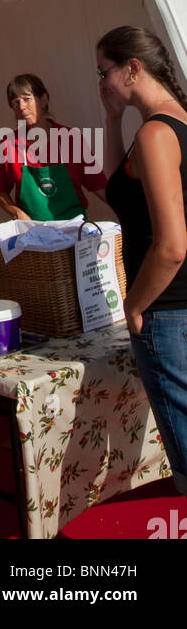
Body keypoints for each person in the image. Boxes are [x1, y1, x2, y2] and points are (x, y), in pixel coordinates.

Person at [97, 26, 187, 497]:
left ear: (133, 67)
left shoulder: (156, 133)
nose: (102, 82)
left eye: (104, 72)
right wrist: (110, 120)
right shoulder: (174, 122)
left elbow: (172, 245)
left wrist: (135, 305)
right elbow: (118, 193)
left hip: (169, 311)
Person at [0, 72, 107, 222]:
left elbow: (99, 185)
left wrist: (131, 210)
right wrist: (17, 213)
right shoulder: (9, 144)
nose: (22, 107)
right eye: (15, 103)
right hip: (33, 232)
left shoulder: (71, 138)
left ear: (44, 99)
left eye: (27, 99)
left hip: (74, 229)